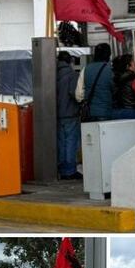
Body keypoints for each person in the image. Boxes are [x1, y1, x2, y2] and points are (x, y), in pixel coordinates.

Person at [55, 51, 81, 180]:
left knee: (61, 142)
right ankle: (70, 170)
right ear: (70, 61)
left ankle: (62, 168)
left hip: (57, 115)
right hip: (70, 113)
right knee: (71, 142)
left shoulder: (53, 74)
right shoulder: (72, 75)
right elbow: (74, 93)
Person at [75, 42, 114, 122]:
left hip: (89, 114)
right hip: (106, 113)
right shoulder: (111, 70)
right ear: (108, 55)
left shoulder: (85, 69)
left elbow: (78, 95)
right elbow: (115, 90)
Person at [111, 54, 135, 120]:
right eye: (133, 62)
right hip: (132, 112)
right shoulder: (133, 79)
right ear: (128, 66)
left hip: (116, 112)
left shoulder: (114, 79)